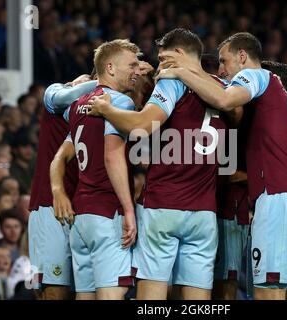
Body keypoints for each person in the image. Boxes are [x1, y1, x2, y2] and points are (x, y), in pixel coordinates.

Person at [150, 31, 287, 300]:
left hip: (277, 200)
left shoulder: (256, 75)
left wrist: (181, 71)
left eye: (224, 61)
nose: (222, 70)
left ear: (242, 56)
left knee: (267, 295)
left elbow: (224, 99)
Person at [88, 29, 227, 300]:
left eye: (164, 58)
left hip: (163, 205)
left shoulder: (171, 81)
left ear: (179, 54)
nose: (161, 64)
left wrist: (106, 109)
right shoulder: (222, 89)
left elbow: (141, 127)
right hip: (204, 213)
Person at [51, 40, 140, 300]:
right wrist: (128, 209)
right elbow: (112, 156)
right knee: (111, 294)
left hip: (81, 218)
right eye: (132, 65)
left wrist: (59, 189)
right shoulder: (119, 102)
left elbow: (60, 157)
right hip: (106, 214)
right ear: (110, 67)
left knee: (85, 296)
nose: (136, 70)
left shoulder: (77, 106)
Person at [28, 74, 98, 300]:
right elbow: (60, 97)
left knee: (85, 289)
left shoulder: (107, 111)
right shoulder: (56, 92)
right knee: (51, 288)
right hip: (49, 206)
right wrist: (102, 83)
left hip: (84, 209)